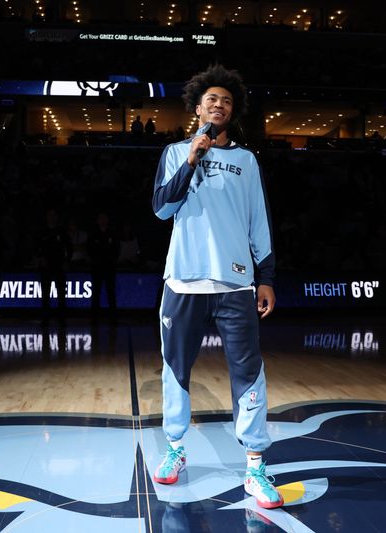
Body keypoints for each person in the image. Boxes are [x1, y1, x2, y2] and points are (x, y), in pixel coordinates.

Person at [150, 65, 282, 509]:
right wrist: (192, 159)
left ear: (233, 110)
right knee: (175, 368)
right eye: (211, 100)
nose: (218, 105)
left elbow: (258, 224)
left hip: (235, 283)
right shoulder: (174, 153)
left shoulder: (248, 161)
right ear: (197, 106)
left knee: (249, 374)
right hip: (183, 281)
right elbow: (162, 210)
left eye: (226, 100)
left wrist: (266, 278)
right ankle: (175, 448)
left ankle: (255, 466)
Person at [36, 208, 72, 325]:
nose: (51, 217)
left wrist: (67, 260)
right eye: (49, 215)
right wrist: (40, 258)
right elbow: (35, 246)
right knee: (45, 293)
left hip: (59, 265)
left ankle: (61, 318)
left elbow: (69, 247)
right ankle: (45, 318)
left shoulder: (62, 231)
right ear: (46, 217)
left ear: (56, 217)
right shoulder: (41, 231)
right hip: (46, 266)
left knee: (61, 293)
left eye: (54, 215)